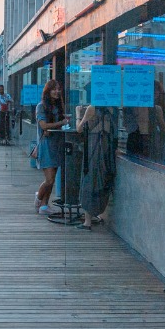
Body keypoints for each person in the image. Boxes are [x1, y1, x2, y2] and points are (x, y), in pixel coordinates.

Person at [75, 104, 118, 228]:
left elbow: (80, 129)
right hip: (107, 151)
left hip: (93, 149)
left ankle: (87, 221)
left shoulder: (92, 109)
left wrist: (78, 113)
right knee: (102, 181)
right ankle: (99, 213)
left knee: (90, 181)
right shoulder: (112, 109)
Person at [34, 79, 67, 213]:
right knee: (49, 179)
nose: (57, 91)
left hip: (57, 144)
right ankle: (38, 198)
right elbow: (43, 125)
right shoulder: (41, 106)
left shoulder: (59, 107)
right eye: (54, 89)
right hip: (46, 145)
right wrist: (61, 123)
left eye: (59, 89)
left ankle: (44, 205)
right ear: (48, 91)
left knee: (52, 179)